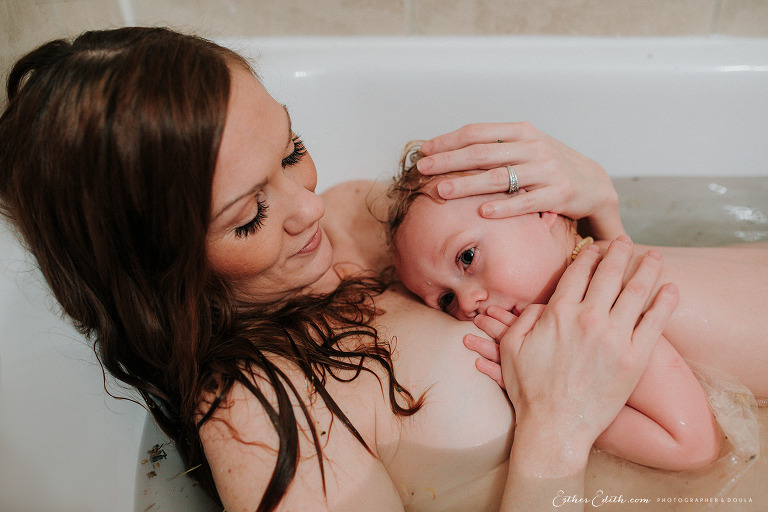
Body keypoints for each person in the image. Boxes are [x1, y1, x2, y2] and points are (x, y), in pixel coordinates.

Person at [0, 27, 700, 512]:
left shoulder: (348, 217)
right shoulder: (259, 414)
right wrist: (558, 432)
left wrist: (598, 198)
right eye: (250, 217)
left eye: (291, 147)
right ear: (161, 270)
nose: (306, 207)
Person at [386, 140, 765, 467]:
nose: (467, 304)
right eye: (446, 299)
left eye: (467, 257)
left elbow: (693, 445)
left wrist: (537, 397)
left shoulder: (599, 304)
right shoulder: (607, 254)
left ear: (539, 209)